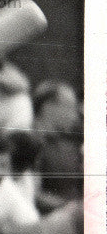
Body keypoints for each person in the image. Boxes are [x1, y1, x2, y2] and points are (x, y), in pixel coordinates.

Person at [32, 81, 83, 212]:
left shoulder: (70, 144)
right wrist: (71, 209)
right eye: (70, 106)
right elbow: (33, 194)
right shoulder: (32, 142)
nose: (76, 114)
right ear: (48, 107)